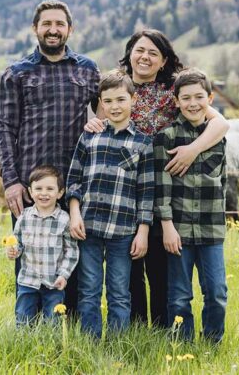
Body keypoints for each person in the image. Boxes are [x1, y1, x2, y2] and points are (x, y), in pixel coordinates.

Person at [85, 29, 229, 329]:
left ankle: (166, 328)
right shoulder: (118, 87)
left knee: (162, 266)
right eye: (139, 50)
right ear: (130, 53)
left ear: (164, 60)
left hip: (166, 189)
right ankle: (136, 328)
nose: (145, 57)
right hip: (126, 191)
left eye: (153, 52)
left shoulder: (174, 90)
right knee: (130, 264)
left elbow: (221, 123)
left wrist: (192, 150)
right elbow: (101, 123)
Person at [0, 0, 100, 311]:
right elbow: (3, 130)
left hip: (76, 184)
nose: (53, 30)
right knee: (29, 260)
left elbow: (108, 112)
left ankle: (73, 329)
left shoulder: (87, 69)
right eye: (47, 24)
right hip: (31, 188)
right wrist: (11, 181)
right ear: (35, 29)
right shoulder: (16, 74)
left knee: (74, 257)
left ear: (70, 29)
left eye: (59, 24)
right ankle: (31, 330)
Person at [67, 71, 154, 339]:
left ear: (133, 100)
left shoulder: (143, 142)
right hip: (89, 228)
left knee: (119, 291)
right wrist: (74, 213)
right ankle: (90, 342)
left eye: (121, 99)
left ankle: (118, 343)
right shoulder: (90, 137)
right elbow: (74, 179)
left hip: (123, 231)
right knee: (89, 289)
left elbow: (147, 192)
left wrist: (143, 232)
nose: (115, 106)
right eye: (108, 101)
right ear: (101, 104)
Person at [155, 69, 228, 343]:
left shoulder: (217, 136)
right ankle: (180, 343)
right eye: (186, 98)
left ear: (210, 98)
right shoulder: (166, 137)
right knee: (179, 295)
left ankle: (212, 342)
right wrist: (167, 227)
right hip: (180, 230)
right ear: (176, 101)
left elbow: (223, 180)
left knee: (217, 291)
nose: (193, 103)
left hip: (212, 229)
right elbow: (161, 189)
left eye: (199, 96)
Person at [6, 165, 79, 325]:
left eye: (50, 189)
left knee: (53, 320)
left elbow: (71, 252)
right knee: (23, 317)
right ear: (30, 192)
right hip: (27, 280)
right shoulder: (24, 217)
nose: (43, 193)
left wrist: (63, 275)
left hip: (53, 281)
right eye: (38, 188)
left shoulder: (64, 220)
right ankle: (23, 344)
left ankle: (51, 344)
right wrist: (13, 251)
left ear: (60, 192)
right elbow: (18, 243)